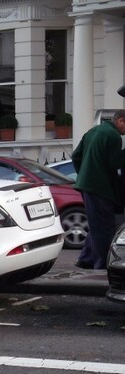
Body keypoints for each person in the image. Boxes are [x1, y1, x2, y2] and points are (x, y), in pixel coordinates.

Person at [72, 110, 125, 269]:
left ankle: (86, 259)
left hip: (86, 186)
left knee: (96, 223)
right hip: (101, 188)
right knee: (105, 226)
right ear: (120, 121)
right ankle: (102, 263)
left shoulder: (93, 131)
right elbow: (115, 164)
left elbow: (76, 156)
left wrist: (84, 175)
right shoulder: (113, 136)